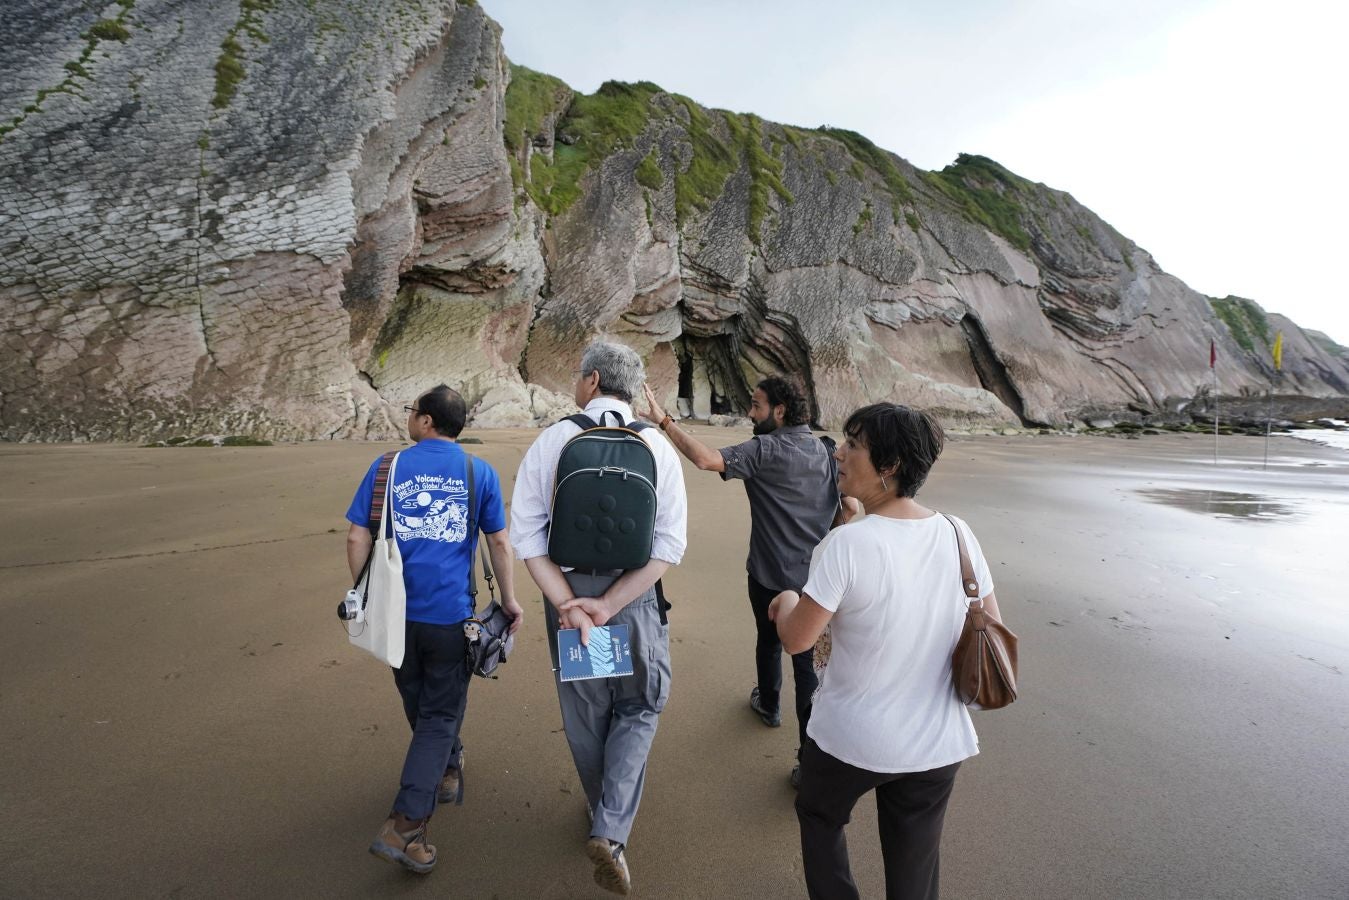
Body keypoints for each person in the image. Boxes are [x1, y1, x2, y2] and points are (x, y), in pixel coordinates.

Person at [768, 403, 1004, 900]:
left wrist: (785, 601)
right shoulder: (959, 533)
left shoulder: (846, 545)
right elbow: (992, 626)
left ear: (889, 466)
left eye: (853, 444)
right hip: (938, 741)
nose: (838, 452)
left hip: (853, 737)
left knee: (819, 814)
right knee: (913, 862)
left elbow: (797, 639)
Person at [511, 340, 687, 896]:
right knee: (639, 703)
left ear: (590, 381)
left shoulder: (555, 439)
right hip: (631, 598)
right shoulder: (656, 446)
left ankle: (601, 811)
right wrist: (610, 604)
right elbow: (669, 546)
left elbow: (528, 536)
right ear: (629, 389)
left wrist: (571, 604)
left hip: (569, 597)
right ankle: (611, 830)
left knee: (588, 710)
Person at [641, 376, 855, 787]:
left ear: (779, 411)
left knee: (769, 639)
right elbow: (848, 504)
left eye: (756, 406)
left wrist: (664, 421)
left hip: (770, 575)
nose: (750, 413)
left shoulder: (767, 449)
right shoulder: (828, 450)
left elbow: (705, 459)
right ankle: (808, 761)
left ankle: (769, 704)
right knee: (808, 666)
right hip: (820, 582)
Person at [345, 385, 522, 875]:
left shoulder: (387, 468)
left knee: (419, 700)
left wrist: (362, 595)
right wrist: (508, 600)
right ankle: (405, 825)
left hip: (395, 616)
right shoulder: (477, 471)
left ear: (425, 422)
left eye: (412, 413)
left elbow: (357, 535)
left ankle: (446, 767)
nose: (410, 420)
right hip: (450, 616)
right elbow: (499, 543)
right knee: (440, 713)